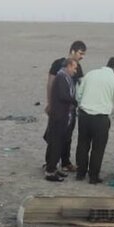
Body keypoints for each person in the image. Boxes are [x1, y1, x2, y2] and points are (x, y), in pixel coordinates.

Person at [74, 57, 114, 184]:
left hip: (84, 115)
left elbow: (79, 94)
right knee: (98, 148)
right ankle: (93, 176)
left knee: (82, 144)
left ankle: (80, 173)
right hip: (100, 118)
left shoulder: (90, 74)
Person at [46, 41, 86, 172]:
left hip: (71, 108)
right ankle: (50, 163)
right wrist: (49, 103)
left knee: (67, 136)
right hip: (59, 107)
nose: (82, 57)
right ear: (73, 51)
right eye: (80, 53)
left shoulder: (78, 67)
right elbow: (50, 84)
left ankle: (65, 162)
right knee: (54, 135)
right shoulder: (58, 64)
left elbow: (80, 86)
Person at [43, 58, 79, 182]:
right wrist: (75, 101)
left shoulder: (64, 77)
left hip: (62, 115)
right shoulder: (61, 77)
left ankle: (54, 168)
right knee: (56, 144)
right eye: (74, 68)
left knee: (58, 143)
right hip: (59, 116)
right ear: (68, 66)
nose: (75, 71)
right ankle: (50, 171)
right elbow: (64, 95)